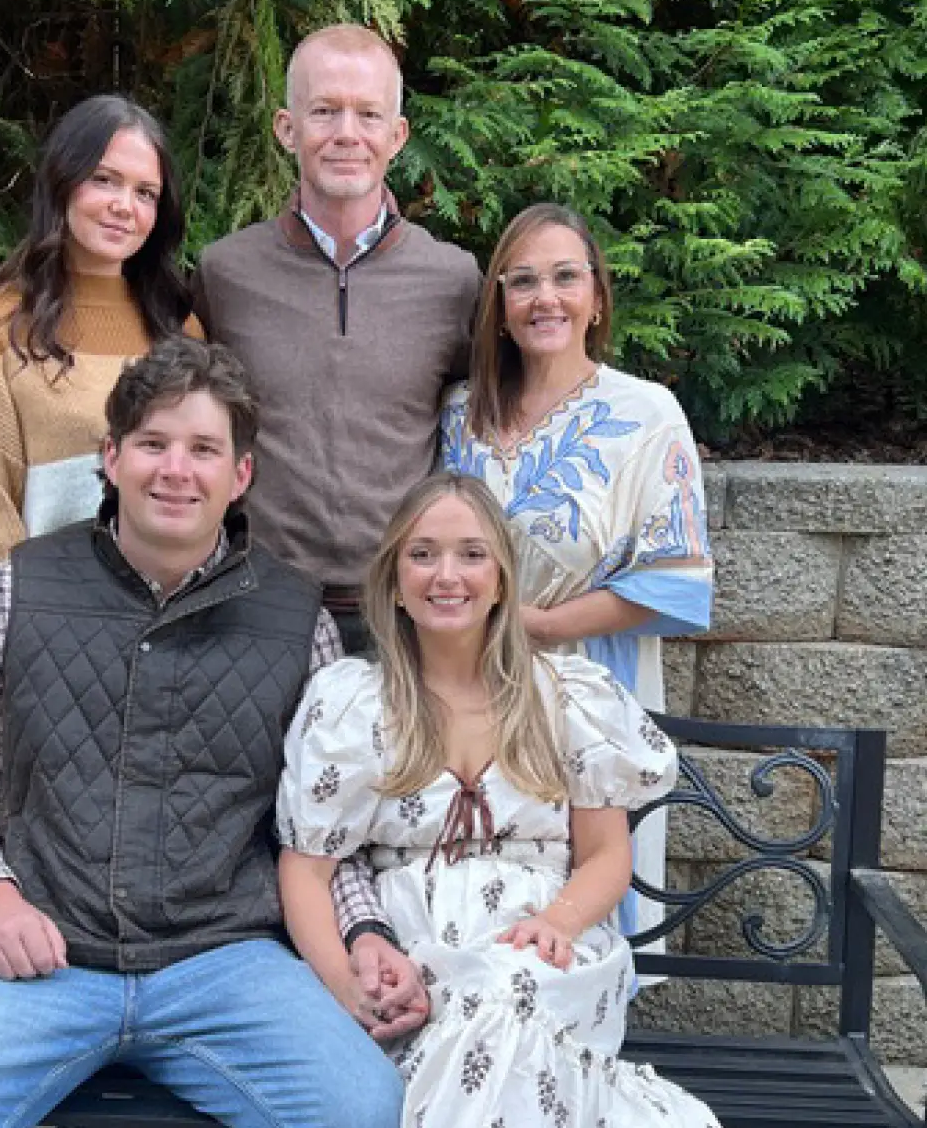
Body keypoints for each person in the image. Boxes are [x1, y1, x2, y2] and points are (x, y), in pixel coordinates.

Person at [0, 338, 411, 1128]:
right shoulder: (14, 592)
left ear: (240, 474)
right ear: (111, 458)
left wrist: (365, 931)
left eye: (204, 449)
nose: (176, 469)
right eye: (153, 443)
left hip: (227, 962)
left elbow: (321, 828)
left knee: (369, 1109)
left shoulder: (297, 622)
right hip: (45, 954)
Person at [276, 472, 721, 1128]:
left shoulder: (565, 696)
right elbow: (306, 869)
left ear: (504, 578)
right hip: (415, 955)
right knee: (486, 1027)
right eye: (422, 553)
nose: (446, 573)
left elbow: (604, 855)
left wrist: (560, 922)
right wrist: (348, 986)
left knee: (505, 997)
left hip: (544, 949)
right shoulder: (355, 704)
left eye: (472, 553)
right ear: (395, 581)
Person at [439, 203, 713, 939]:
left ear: (597, 296)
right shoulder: (460, 413)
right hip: (466, 692)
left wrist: (542, 625)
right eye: (521, 281)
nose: (544, 298)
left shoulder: (646, 414)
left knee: (579, 907)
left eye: (565, 276)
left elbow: (675, 575)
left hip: (589, 683)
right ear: (497, 306)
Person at [192, 23, 482, 652]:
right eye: (324, 111)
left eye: (368, 114)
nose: (347, 133)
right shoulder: (225, 273)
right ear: (286, 128)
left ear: (397, 136)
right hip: (256, 604)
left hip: (404, 613)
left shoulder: (453, 280)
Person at [0, 94, 201, 597]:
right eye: (105, 180)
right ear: (62, 182)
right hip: (45, 629)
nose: (125, 206)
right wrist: (31, 629)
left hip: (172, 626)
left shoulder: (179, 328)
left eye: (146, 193)